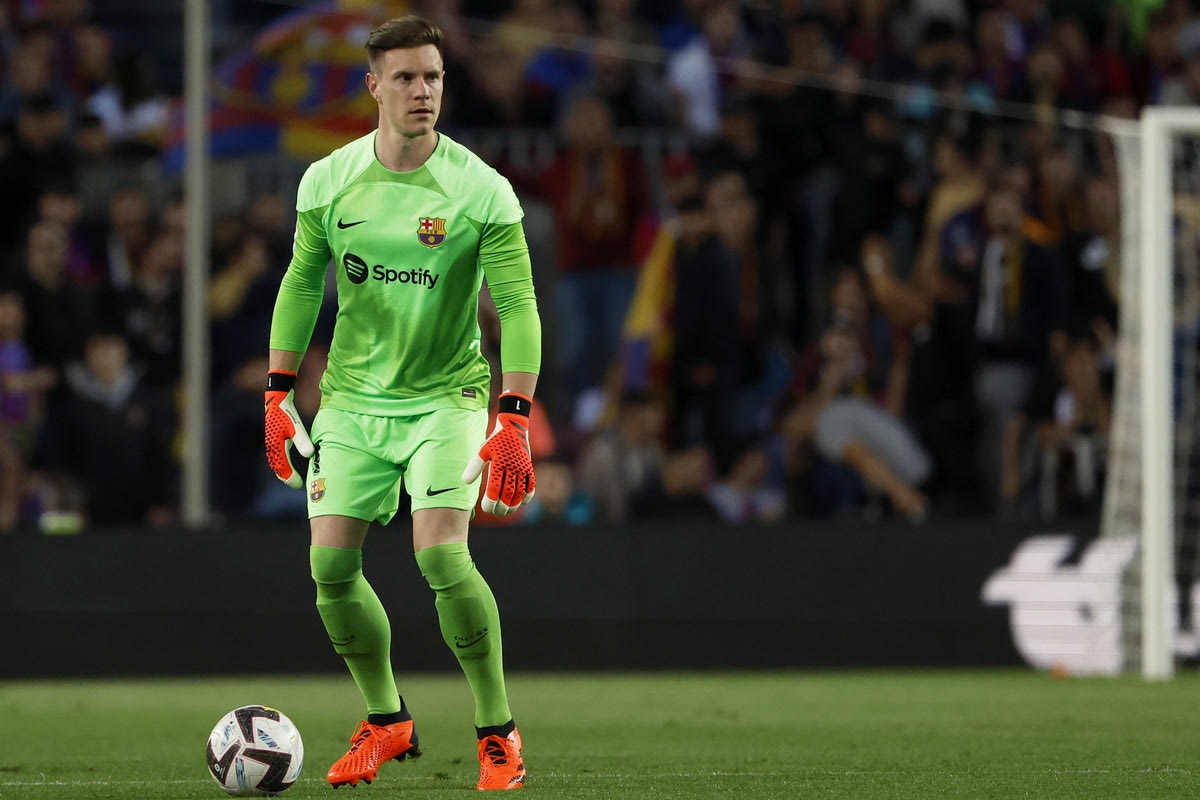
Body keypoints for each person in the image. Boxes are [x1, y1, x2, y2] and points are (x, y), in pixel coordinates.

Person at [263, 16, 539, 792]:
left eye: (434, 77)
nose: (424, 91)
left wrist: (514, 415)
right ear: (374, 86)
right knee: (329, 566)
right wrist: (278, 393)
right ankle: (387, 720)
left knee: (442, 554)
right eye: (408, 77)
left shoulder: (481, 189)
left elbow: (518, 305)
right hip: (352, 401)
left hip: (447, 397)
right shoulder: (328, 180)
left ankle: (497, 732)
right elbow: (300, 282)